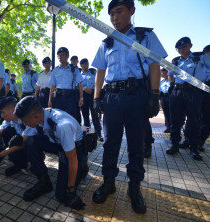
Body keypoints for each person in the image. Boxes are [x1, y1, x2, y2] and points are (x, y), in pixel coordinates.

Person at [91, 0, 167, 214]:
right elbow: (100, 72)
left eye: (119, 11)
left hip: (137, 96)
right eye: (111, 14)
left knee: (137, 145)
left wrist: (154, 95)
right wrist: (97, 98)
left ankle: (134, 188)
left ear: (132, 11)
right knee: (110, 143)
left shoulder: (145, 37)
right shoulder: (106, 42)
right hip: (112, 98)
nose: (114, 17)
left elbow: (154, 65)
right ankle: (108, 182)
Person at [14, 96, 87, 210]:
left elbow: (72, 160)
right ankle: (44, 182)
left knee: (62, 196)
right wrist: (18, 140)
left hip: (73, 149)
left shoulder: (62, 125)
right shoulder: (40, 115)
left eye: (26, 121)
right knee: (31, 141)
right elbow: (25, 136)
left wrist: (71, 191)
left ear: (36, 116)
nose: (25, 124)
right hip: (58, 143)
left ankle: (82, 166)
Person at [166, 37, 210, 160]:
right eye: (179, 48)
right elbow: (170, 75)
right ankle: (174, 145)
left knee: (194, 120)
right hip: (177, 92)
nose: (181, 50)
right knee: (175, 120)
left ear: (190, 46)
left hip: (194, 92)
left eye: (184, 47)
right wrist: (171, 84)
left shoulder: (200, 57)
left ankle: (194, 148)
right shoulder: (175, 61)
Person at [48, 47, 84, 123]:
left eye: (62, 55)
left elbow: (80, 84)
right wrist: (50, 100)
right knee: (58, 119)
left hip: (71, 97)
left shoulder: (74, 69)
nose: (60, 57)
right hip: (58, 97)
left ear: (67, 56)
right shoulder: (55, 70)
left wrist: (81, 98)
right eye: (59, 55)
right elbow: (52, 86)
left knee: (71, 119)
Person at [80, 58, 103, 142]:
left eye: (87, 63)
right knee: (85, 116)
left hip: (93, 95)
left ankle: (98, 134)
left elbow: (99, 81)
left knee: (95, 115)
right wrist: (84, 89)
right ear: (81, 65)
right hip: (83, 96)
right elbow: (76, 86)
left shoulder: (93, 72)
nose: (87, 65)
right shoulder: (79, 75)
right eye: (85, 64)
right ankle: (87, 134)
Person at [159, 68, 171, 133]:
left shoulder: (171, 81)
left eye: (162, 72)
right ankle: (168, 126)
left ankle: (172, 126)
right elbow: (160, 90)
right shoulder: (162, 82)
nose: (161, 73)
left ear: (166, 72)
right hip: (163, 97)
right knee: (165, 112)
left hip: (170, 97)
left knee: (171, 112)